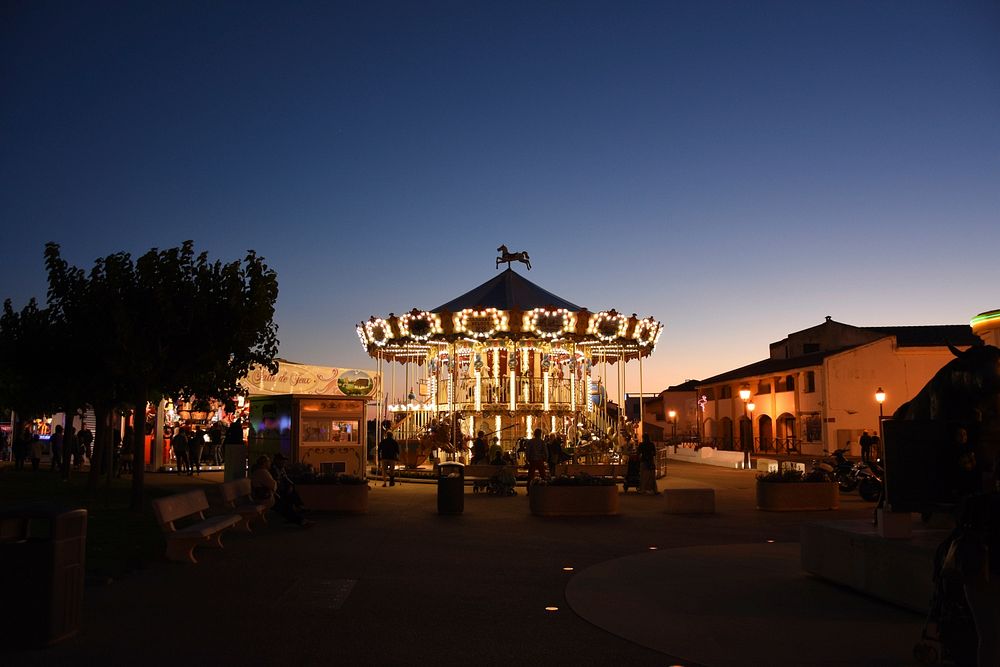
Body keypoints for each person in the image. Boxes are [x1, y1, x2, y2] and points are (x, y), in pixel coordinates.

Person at [251, 455, 312, 527]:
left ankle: (300, 518)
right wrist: (276, 484)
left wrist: (288, 485)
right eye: (268, 462)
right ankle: (301, 519)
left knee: (285, 504)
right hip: (265, 498)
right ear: (265, 463)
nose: (270, 463)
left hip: (264, 496)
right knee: (284, 506)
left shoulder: (259, 471)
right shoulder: (263, 472)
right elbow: (273, 485)